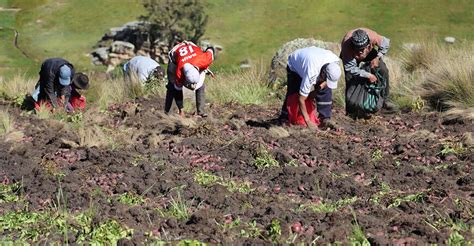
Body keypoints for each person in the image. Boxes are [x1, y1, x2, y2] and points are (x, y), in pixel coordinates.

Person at [280, 46, 342, 130]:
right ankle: (285, 117)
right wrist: (308, 121)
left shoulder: (334, 63)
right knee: (294, 93)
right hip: (295, 65)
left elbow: (326, 82)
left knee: (325, 89)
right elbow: (301, 99)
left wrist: (317, 90)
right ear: (323, 73)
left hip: (315, 59)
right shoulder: (311, 73)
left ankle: (325, 118)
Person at [340, 28, 397, 117]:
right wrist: (368, 75)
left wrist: (377, 57)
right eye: (358, 49)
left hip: (370, 53)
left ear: (368, 44)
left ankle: (385, 100)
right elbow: (350, 68)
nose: (360, 52)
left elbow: (386, 43)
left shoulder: (373, 36)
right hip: (351, 58)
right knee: (350, 78)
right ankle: (351, 109)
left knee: (383, 69)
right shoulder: (346, 47)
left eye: (362, 49)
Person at [165, 41, 215, 117]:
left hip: (192, 48)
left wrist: (205, 67)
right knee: (172, 86)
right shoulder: (179, 73)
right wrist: (181, 110)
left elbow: (210, 48)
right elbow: (178, 91)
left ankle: (201, 112)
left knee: (201, 86)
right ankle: (167, 111)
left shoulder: (205, 59)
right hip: (175, 55)